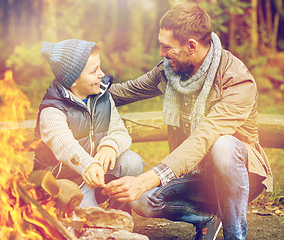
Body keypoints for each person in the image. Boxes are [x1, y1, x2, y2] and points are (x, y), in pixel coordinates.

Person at [102, 4, 273, 240]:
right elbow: (124, 92)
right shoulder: (169, 71)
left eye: (167, 46)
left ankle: (234, 235)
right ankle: (207, 218)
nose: (161, 52)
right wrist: (78, 89)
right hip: (194, 174)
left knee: (223, 145)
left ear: (191, 46)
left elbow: (204, 138)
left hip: (239, 175)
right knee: (140, 201)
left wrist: (146, 179)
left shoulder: (236, 81)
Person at [34, 39, 144, 210]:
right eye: (94, 71)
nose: (101, 74)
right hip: (65, 184)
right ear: (72, 81)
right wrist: (88, 165)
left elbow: (120, 131)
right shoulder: (52, 109)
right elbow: (64, 145)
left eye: (99, 67)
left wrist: (110, 146)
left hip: (96, 174)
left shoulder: (102, 96)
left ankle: (119, 213)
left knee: (132, 161)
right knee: (88, 223)